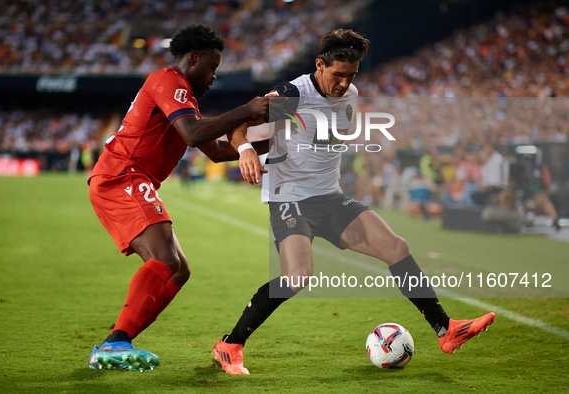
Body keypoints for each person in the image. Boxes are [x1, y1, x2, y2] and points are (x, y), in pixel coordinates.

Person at [212, 28, 496, 375]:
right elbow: (239, 123)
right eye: (338, 75)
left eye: (351, 75)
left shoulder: (351, 95)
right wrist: (244, 150)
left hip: (331, 198)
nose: (344, 83)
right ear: (319, 65)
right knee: (297, 277)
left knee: (396, 246)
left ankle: (445, 330)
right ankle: (230, 344)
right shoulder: (293, 95)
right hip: (291, 199)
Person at [87, 24, 272, 372]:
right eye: (212, 66)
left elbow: (216, 151)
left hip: (130, 178)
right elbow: (191, 134)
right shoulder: (168, 80)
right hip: (122, 174)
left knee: (178, 270)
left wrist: (275, 144)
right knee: (165, 260)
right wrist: (247, 111)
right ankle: (116, 342)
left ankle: (118, 340)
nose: (214, 75)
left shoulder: (182, 96)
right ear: (193, 58)